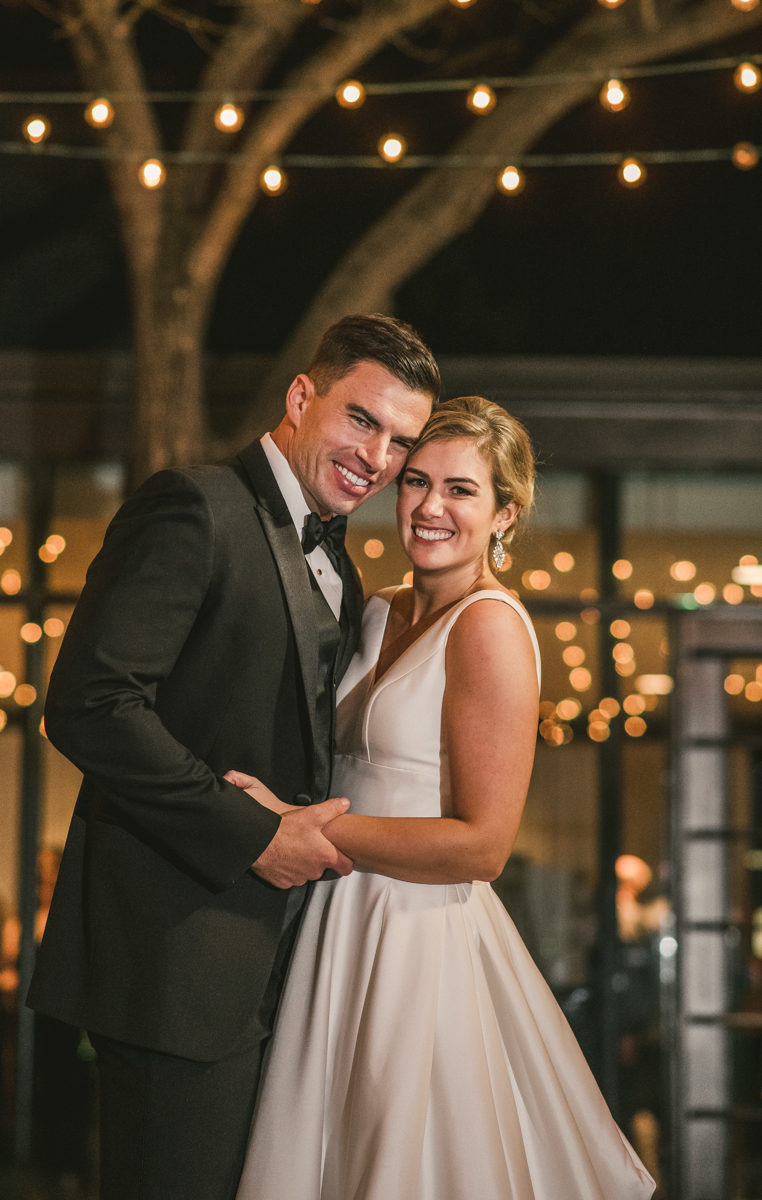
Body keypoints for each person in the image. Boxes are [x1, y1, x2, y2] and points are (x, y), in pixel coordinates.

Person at [27, 314, 438, 1200]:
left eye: (401, 440)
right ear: (302, 397)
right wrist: (250, 832)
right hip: (173, 968)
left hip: (279, 973)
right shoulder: (194, 504)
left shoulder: (343, 564)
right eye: (361, 419)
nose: (378, 456)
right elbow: (89, 705)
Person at [231, 396, 656, 1199]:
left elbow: (483, 845)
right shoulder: (380, 607)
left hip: (414, 933)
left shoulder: (490, 627)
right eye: (417, 482)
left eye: (461, 490)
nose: (430, 508)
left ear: (506, 513)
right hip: (334, 925)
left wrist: (308, 830)